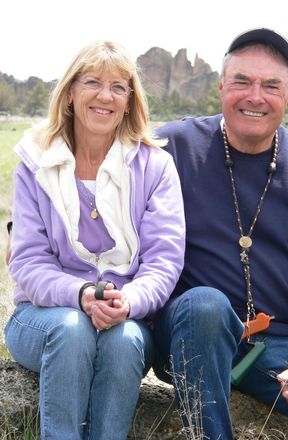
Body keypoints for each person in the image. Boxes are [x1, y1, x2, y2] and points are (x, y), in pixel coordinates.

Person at [153, 28, 288, 439]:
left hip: (284, 347)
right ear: (220, 87)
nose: (255, 96)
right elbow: (94, 171)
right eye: (242, 81)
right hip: (190, 334)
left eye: (271, 85)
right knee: (206, 306)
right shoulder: (171, 147)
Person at [4, 40, 185, 440]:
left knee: (123, 341)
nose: (106, 96)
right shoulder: (35, 163)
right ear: (70, 92)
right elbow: (28, 260)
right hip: (45, 316)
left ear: (129, 100)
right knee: (72, 329)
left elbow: (164, 260)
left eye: (119, 87)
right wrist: (82, 292)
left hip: (128, 317)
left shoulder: (156, 167)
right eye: (92, 82)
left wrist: (130, 301)